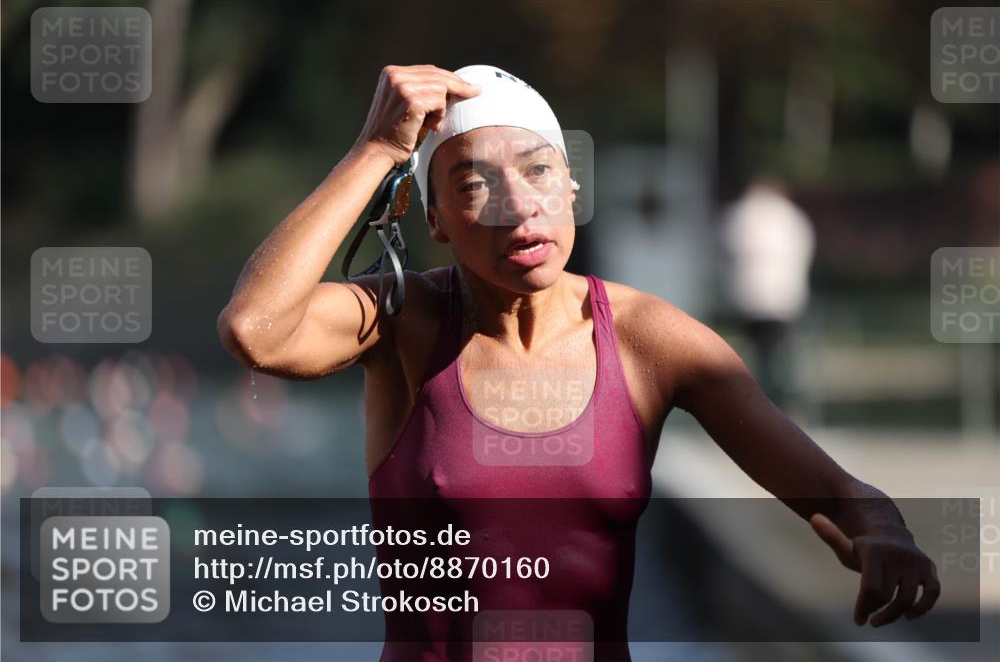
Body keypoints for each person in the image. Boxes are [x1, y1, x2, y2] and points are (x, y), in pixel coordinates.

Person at [217, 64, 939, 662]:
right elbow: (256, 329)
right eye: (474, 185)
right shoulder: (403, 322)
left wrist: (884, 530)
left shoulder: (649, 338)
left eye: (539, 173)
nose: (518, 207)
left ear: (571, 189)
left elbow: (837, 492)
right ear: (432, 218)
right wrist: (375, 150)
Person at [719, 177, 816, 409]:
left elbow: (724, 254)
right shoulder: (793, 217)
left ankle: (752, 404)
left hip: (749, 299)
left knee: (753, 357)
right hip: (784, 300)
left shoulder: (739, 215)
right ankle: (784, 405)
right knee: (782, 357)